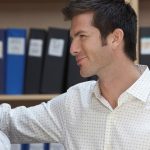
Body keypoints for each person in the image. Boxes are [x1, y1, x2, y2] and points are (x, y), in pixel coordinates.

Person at [0, 0, 150, 149]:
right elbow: (7, 122)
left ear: (115, 38)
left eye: (82, 36)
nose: (73, 49)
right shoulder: (73, 102)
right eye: (73, 38)